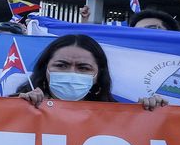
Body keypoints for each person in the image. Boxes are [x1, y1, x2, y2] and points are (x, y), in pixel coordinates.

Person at [15, 34, 167, 110]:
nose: (72, 73)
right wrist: (19, 109)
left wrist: (146, 117)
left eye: (83, 68)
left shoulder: (116, 117)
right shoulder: (20, 106)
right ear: (45, 69)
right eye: (61, 65)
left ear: (97, 76)